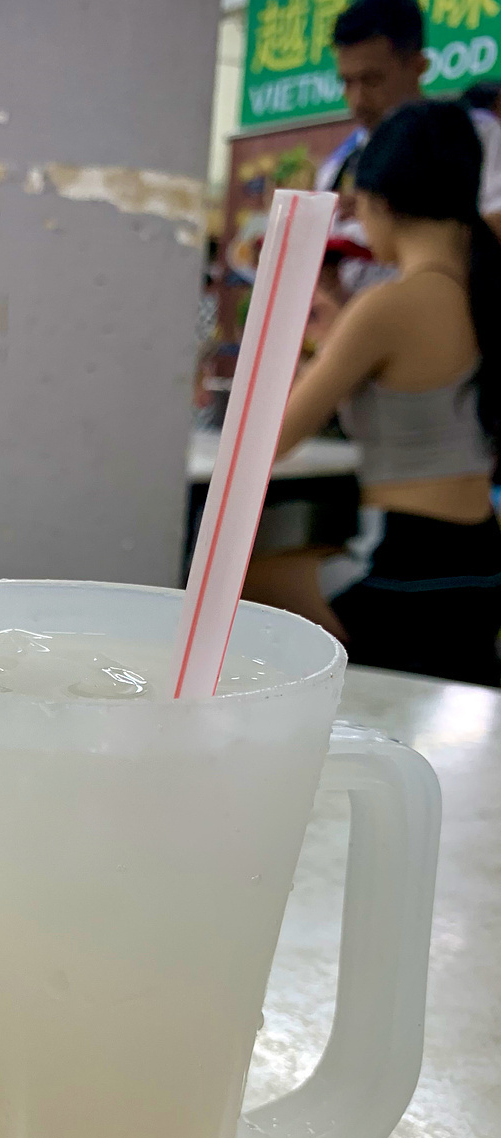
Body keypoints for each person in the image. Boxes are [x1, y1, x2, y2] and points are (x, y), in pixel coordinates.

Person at [276, 101, 501, 687]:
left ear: (377, 200)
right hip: (480, 564)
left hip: (403, 568)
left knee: (231, 581)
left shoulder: (390, 304)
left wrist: (329, 342)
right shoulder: (485, 293)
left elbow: (270, 439)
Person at [316, 0, 501, 260]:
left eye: (372, 80)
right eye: (346, 82)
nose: (357, 100)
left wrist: (403, 217)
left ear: (418, 66)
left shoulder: (477, 136)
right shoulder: (337, 169)